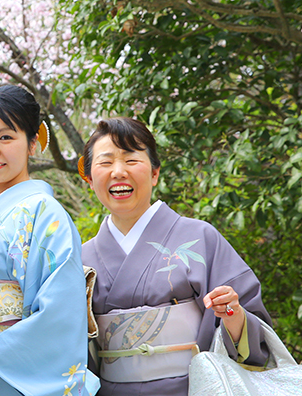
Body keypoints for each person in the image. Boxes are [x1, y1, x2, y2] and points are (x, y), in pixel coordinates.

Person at [79, 117, 272, 396]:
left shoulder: (200, 237)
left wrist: (233, 314)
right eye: (105, 162)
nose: (118, 172)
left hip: (195, 389)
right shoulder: (80, 257)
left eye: (131, 160)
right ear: (89, 178)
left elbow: (257, 332)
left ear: (155, 172)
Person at [0, 85, 99, 396]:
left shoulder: (45, 212)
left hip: (15, 374)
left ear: (32, 143)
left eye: (6, 137)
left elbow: (60, 311)